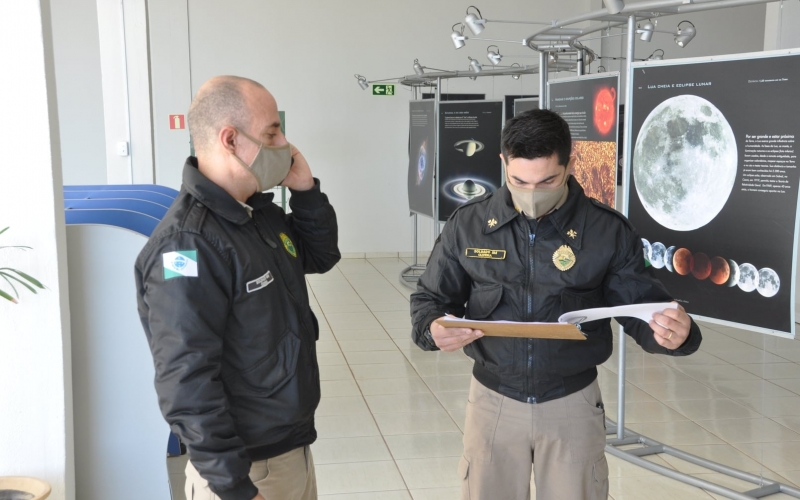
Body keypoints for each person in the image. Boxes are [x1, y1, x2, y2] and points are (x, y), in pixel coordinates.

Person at [410, 109, 702, 500]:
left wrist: (675, 334)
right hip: (493, 402)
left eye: (547, 180)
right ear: (503, 163)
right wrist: (432, 329)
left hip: (572, 404)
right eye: (518, 181)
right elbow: (430, 299)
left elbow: (641, 308)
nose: (532, 192)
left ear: (569, 164)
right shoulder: (468, 224)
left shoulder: (607, 231)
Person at [135, 75, 340, 500]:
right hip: (248, 470)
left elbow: (319, 257)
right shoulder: (186, 246)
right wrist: (235, 488)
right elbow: (187, 382)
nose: (285, 143)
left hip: (288, 450)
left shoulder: (256, 214)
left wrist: (304, 192)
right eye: (272, 132)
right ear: (230, 139)